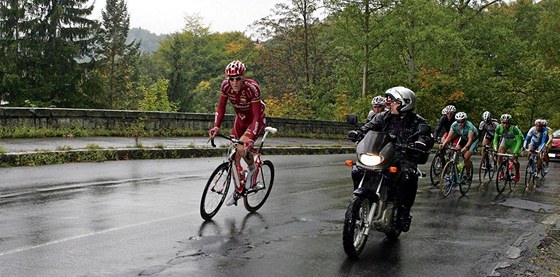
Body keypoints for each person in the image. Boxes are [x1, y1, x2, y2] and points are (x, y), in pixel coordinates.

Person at [355, 86, 433, 232]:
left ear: (405, 103)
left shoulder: (418, 121)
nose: (389, 104)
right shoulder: (384, 116)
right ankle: (359, 202)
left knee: (408, 177)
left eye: (393, 101)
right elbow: (369, 126)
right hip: (384, 153)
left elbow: (426, 136)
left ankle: (403, 213)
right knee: (357, 169)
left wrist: (422, 142)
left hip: (405, 156)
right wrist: (358, 133)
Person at [208, 60, 267, 206]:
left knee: (241, 148)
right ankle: (238, 189)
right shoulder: (225, 86)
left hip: (255, 121)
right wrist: (216, 126)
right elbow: (221, 108)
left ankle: (252, 169)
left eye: (238, 78)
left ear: (243, 77)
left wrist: (251, 138)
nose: (234, 82)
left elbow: (255, 116)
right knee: (232, 153)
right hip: (240, 120)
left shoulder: (251, 89)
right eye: (231, 79)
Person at [440, 112, 479, 176]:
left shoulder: (470, 126)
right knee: (456, 149)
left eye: (462, 121)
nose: (460, 124)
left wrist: (465, 148)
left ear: (465, 121)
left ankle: (468, 174)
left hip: (473, 140)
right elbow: (449, 137)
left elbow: (470, 140)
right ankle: (456, 169)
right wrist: (443, 144)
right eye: (458, 121)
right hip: (464, 138)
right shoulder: (454, 125)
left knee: (466, 157)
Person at [493, 114, 523, 182]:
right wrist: (495, 149)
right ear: (501, 122)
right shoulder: (498, 128)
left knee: (514, 160)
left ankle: (517, 172)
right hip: (505, 141)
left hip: (514, 142)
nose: (505, 125)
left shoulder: (514, 129)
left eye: (507, 123)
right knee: (499, 155)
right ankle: (502, 171)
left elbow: (519, 141)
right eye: (503, 123)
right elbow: (495, 139)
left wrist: (515, 152)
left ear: (510, 122)